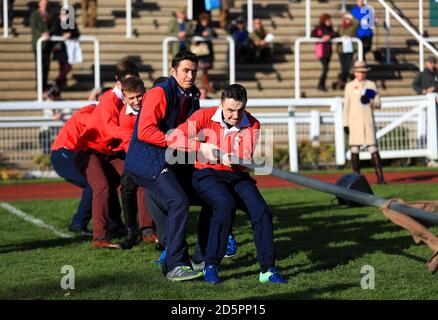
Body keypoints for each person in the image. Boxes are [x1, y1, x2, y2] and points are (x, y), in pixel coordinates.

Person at [168, 84, 287, 284]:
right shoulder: (203, 116)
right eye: (230, 110)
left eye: (240, 110)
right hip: (206, 173)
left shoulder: (253, 123)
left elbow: (244, 155)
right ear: (221, 104)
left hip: (237, 176)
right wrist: (202, 146)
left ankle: (267, 270)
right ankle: (211, 265)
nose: (235, 115)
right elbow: (174, 138)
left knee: (262, 212)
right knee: (224, 205)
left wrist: (235, 157)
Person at [124, 50, 206, 281]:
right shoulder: (159, 92)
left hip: (172, 159)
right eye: (185, 71)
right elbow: (146, 131)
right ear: (173, 71)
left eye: (194, 71)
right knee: (178, 201)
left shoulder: (193, 95)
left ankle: (201, 258)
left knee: (213, 193)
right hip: (147, 160)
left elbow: (192, 129)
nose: (190, 75)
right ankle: (174, 265)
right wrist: (182, 142)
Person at [76, 59, 140, 249]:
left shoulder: (134, 100)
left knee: (139, 177)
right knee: (102, 187)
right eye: (127, 83)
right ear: (118, 84)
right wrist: (132, 138)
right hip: (89, 150)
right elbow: (110, 129)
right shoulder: (109, 100)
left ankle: (146, 230)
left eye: (134, 83)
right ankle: (99, 237)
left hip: (111, 152)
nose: (131, 89)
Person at [117, 76, 158, 250]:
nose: (136, 101)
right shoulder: (124, 117)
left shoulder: (153, 106)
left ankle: (153, 230)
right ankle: (132, 230)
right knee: (126, 185)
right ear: (124, 99)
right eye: (131, 98)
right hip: (138, 155)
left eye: (139, 96)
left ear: (145, 92)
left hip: (158, 152)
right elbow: (129, 144)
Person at [51, 103, 96, 235]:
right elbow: (99, 126)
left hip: (69, 154)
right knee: (94, 185)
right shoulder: (88, 113)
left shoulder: (91, 111)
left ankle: (113, 225)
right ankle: (78, 223)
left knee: (99, 185)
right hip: (64, 153)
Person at [343, 61, 386, 184]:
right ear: (354, 73)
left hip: (367, 121)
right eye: (359, 72)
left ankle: (380, 177)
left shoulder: (371, 85)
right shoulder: (350, 86)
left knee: (373, 148)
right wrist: (345, 123)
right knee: (355, 149)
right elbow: (347, 105)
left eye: (363, 72)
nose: (361, 74)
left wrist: (370, 101)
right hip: (354, 121)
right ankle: (356, 178)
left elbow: (378, 104)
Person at [30, 0, 56, 92]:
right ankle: (39, 86)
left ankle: (44, 85)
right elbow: (34, 28)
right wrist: (42, 35)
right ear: (39, 4)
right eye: (43, 3)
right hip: (38, 45)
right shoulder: (35, 15)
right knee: (40, 66)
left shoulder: (50, 15)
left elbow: (54, 27)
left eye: (45, 3)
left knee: (46, 66)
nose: (44, 5)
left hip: (47, 45)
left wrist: (48, 33)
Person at [52, 6, 81, 90]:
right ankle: (61, 85)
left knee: (68, 66)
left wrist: (69, 34)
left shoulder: (70, 21)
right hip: (60, 48)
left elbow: (76, 33)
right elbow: (55, 32)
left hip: (68, 48)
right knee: (61, 67)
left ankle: (57, 81)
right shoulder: (57, 21)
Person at [311, 13, 338, 92]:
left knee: (326, 69)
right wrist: (322, 37)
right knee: (325, 68)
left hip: (328, 51)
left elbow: (335, 34)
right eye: (328, 19)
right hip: (321, 51)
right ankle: (320, 84)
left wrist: (329, 36)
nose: (329, 21)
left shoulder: (330, 28)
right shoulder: (319, 28)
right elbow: (312, 35)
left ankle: (321, 84)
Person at [193, 12, 217, 93]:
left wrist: (209, 33)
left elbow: (215, 35)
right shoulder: (198, 27)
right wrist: (202, 35)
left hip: (208, 52)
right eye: (203, 20)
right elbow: (195, 34)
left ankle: (205, 86)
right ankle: (206, 86)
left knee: (205, 71)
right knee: (203, 70)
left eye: (206, 20)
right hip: (201, 53)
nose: (205, 22)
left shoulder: (210, 27)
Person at [335, 12, 358, 90]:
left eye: (348, 19)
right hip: (341, 49)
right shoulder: (340, 27)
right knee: (344, 67)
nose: (347, 20)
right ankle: (342, 81)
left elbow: (357, 23)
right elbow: (336, 34)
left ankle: (341, 80)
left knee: (347, 67)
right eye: (346, 19)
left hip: (350, 49)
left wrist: (351, 16)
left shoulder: (352, 26)